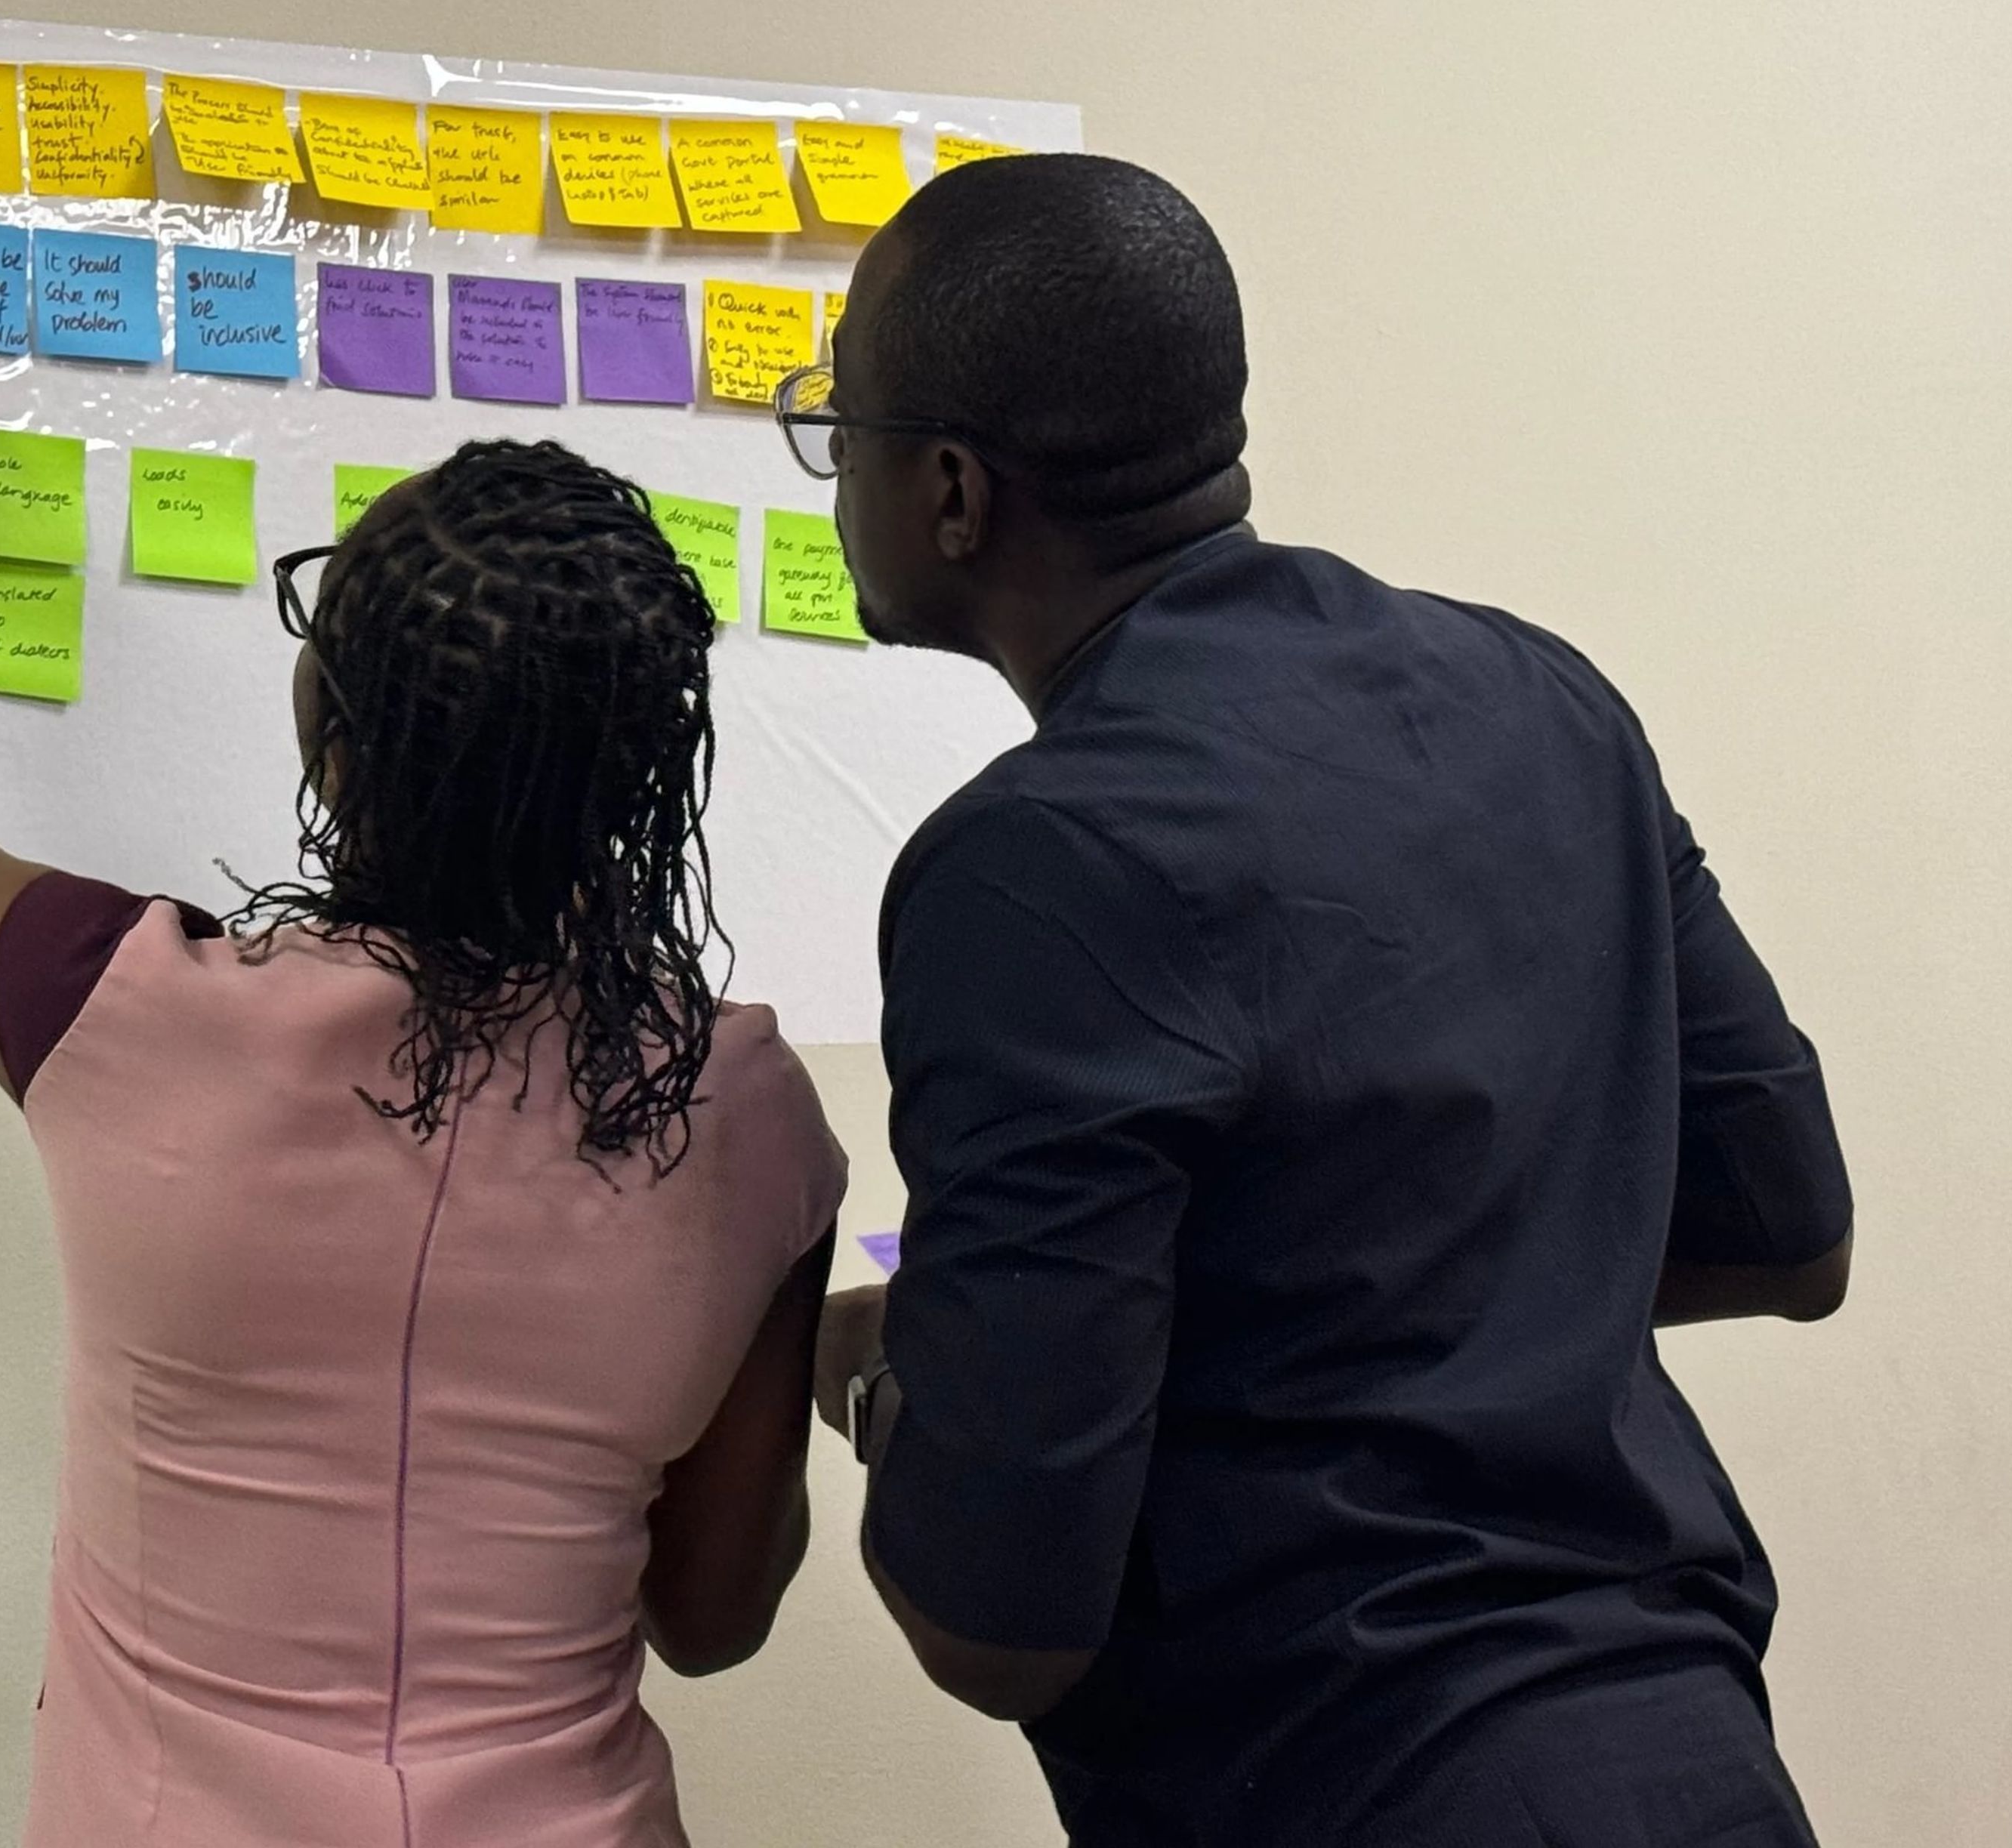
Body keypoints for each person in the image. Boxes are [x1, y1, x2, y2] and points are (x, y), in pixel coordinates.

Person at [788, 154, 1853, 1847]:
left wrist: (883, 1384)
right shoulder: (1541, 701)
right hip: (1698, 1762)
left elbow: (995, 1620)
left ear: (952, 492)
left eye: (830, 423)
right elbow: (1785, 1228)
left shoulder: (1033, 864)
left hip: (1353, 1778)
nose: (828, 466)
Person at [0, 366, 844, 1848]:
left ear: (329, 744)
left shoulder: (121, 1008)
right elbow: (712, 1615)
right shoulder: (746, 1113)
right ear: (641, 784)